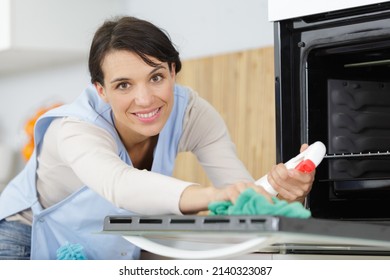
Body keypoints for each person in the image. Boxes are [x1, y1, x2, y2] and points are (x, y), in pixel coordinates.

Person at [0, 16, 314, 260]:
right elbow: (121, 185)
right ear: (101, 90)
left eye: (156, 77)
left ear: (173, 72)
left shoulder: (193, 114)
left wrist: (282, 195)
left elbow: (240, 195)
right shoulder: (74, 130)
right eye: (123, 85)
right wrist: (214, 195)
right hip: (23, 235)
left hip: (109, 240)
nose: (145, 99)